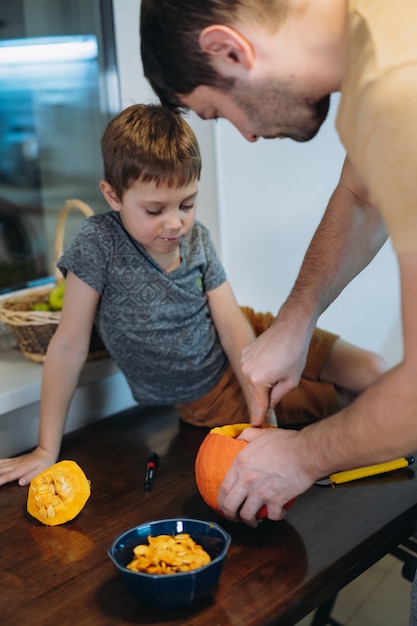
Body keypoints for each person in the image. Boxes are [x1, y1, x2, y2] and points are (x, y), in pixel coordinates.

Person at [0, 103, 385, 488]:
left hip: (253, 336)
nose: (175, 223)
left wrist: (259, 397)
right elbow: (68, 346)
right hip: (209, 396)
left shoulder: (197, 237)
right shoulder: (97, 244)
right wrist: (45, 450)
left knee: (371, 371)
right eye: (154, 210)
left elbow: (233, 326)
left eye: (187, 204)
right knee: (349, 404)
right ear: (113, 196)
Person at [139, 1, 417, 525]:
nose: (243, 135)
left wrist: (300, 455)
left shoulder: (399, 86)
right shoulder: (374, 41)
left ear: (228, 49)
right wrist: (296, 320)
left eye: (218, 111)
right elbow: (363, 195)